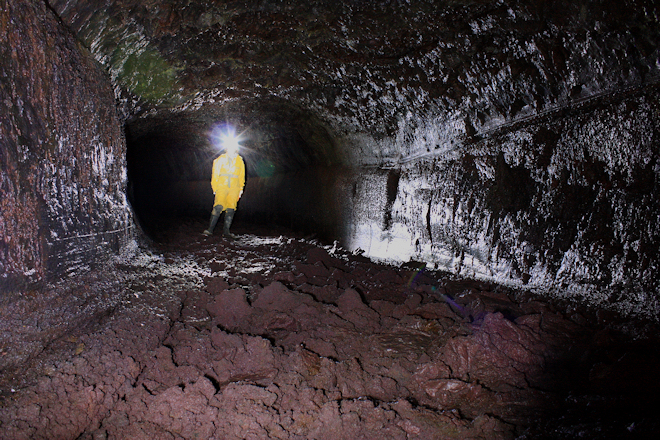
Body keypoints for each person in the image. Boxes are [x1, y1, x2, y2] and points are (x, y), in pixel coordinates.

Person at [203, 136, 245, 238]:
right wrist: (215, 188)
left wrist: (240, 190)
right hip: (222, 186)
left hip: (234, 188)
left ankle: (226, 232)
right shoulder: (220, 160)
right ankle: (210, 230)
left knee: (231, 208)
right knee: (218, 206)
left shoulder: (240, 161)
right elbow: (215, 175)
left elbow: (242, 176)